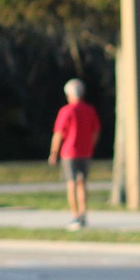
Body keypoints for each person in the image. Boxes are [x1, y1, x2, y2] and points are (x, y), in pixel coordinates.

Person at [48, 78, 101, 231]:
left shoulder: (66, 111)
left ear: (70, 95)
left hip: (69, 152)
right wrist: (91, 145)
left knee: (71, 184)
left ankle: (75, 215)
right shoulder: (89, 110)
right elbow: (96, 130)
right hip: (85, 151)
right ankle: (83, 214)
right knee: (82, 183)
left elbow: (58, 133)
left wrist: (53, 153)